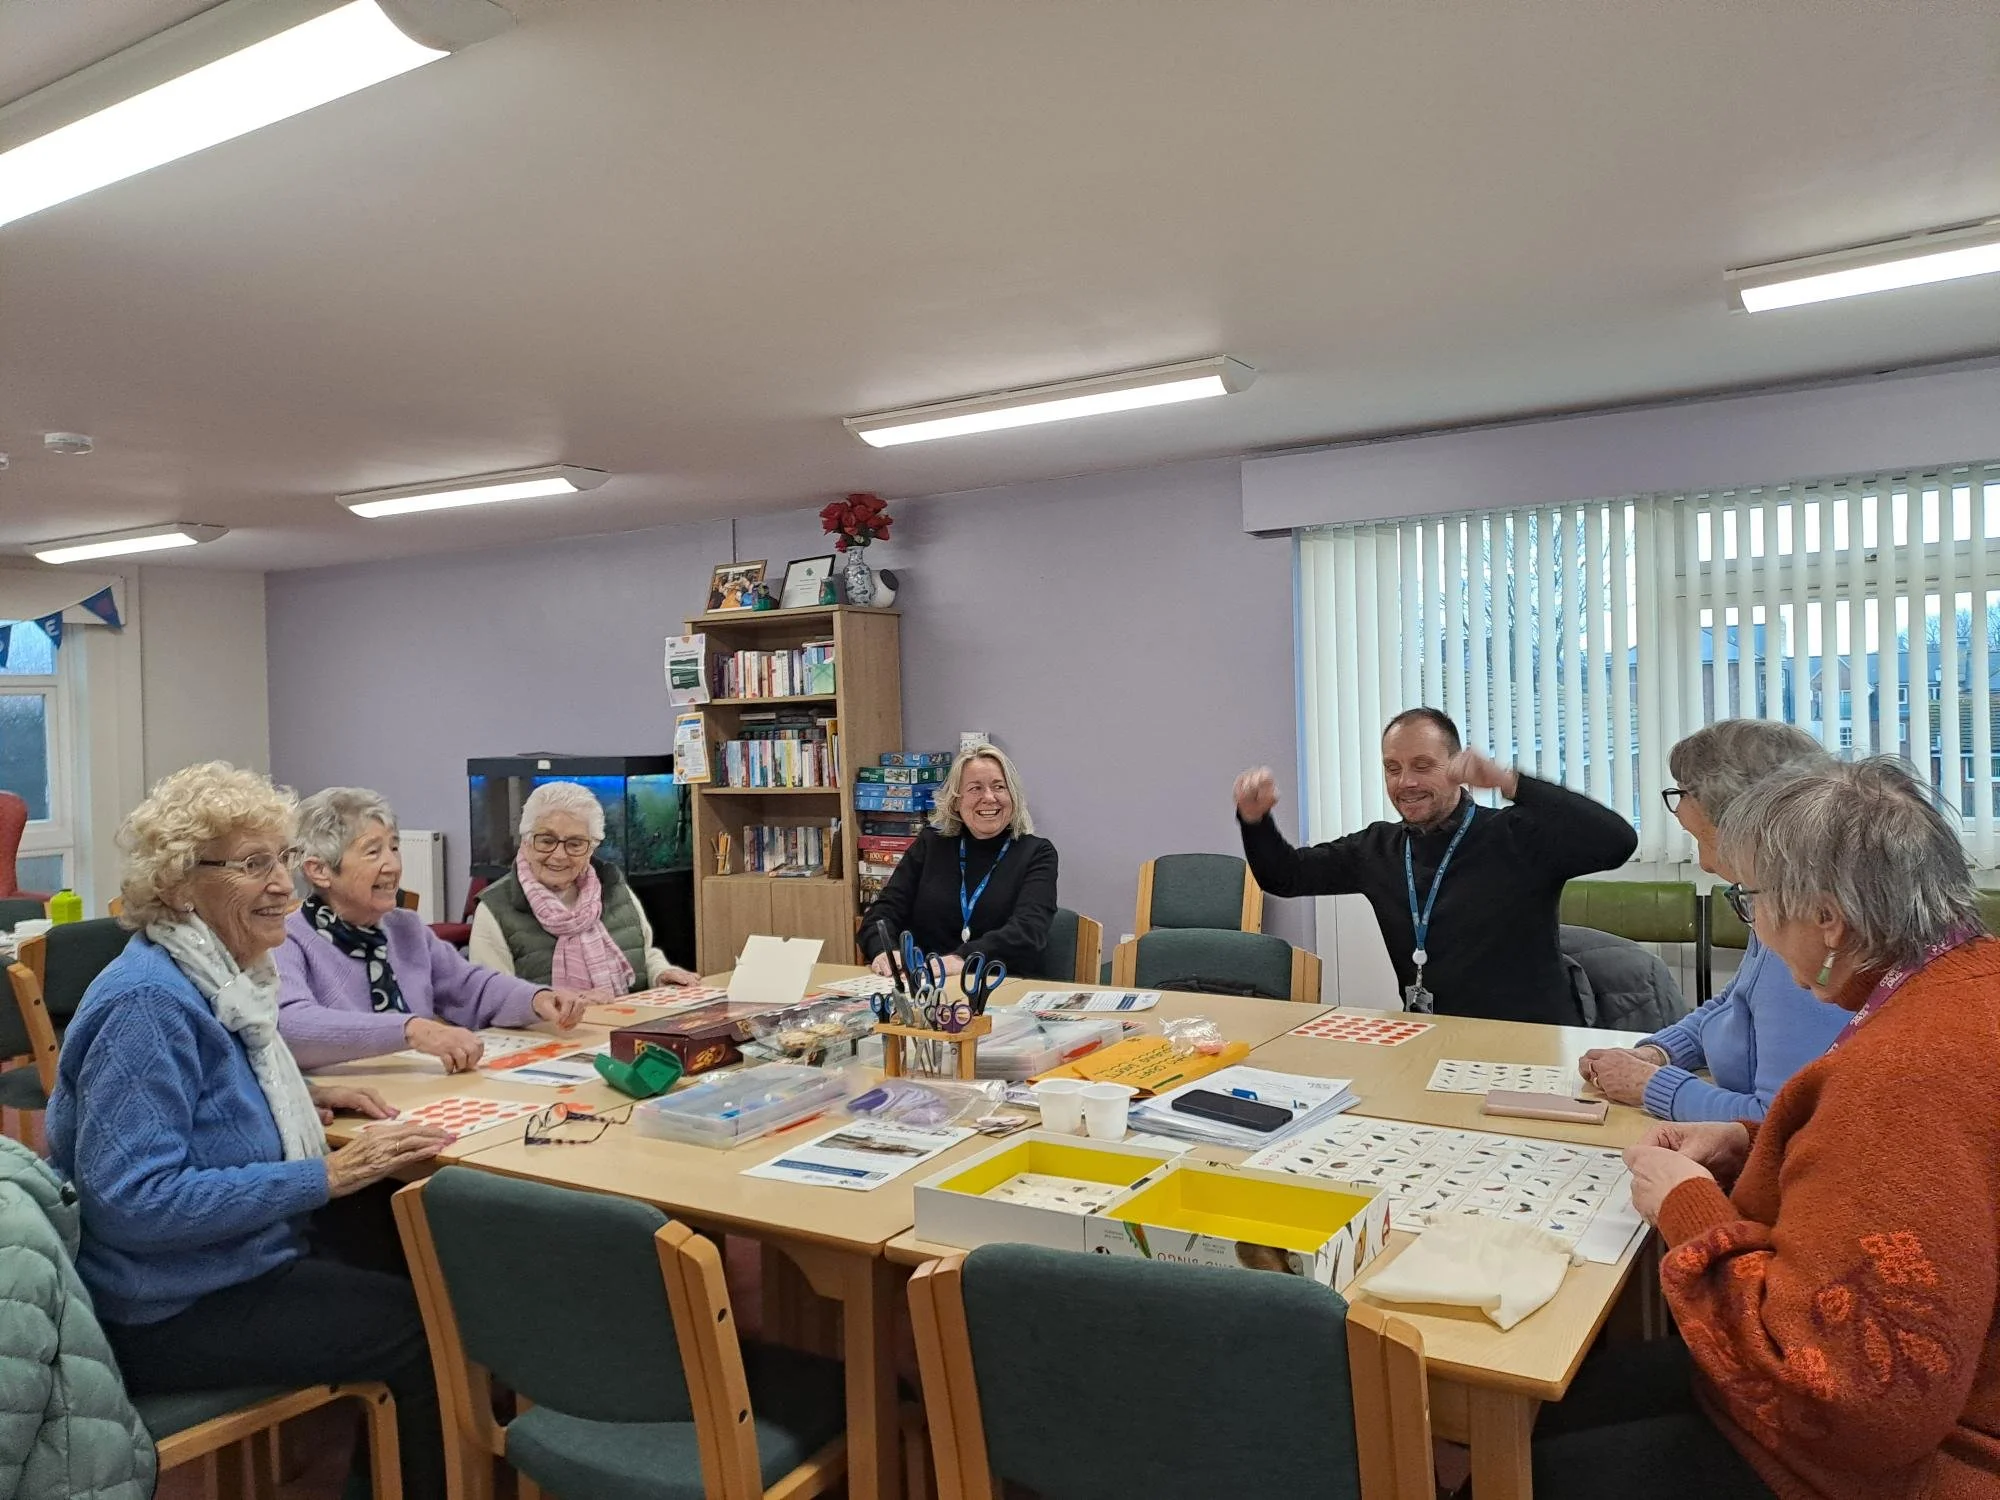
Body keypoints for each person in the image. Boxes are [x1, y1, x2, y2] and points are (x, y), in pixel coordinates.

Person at [1535, 757, 2000, 1500]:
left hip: (1905, 1460)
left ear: (1827, 919)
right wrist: (1758, 1147)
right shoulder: (1968, 983)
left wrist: (1688, 1204)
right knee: (1565, 1400)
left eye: (1751, 899)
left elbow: (1847, 1400)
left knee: (1542, 1467)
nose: (1751, 922)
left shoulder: (1903, 1070)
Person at [46, 762, 454, 1500]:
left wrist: (303, 1092)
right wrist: (324, 1175)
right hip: (166, 1304)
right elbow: (133, 1202)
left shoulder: (211, 976)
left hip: (229, 1259)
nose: (284, 887)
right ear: (177, 884)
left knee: (416, 1250)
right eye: (252, 864)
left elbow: (204, 1100)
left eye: (284, 860)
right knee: (422, 1319)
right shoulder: (148, 1005)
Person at [1233, 708, 1637, 1024]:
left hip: (1532, 1037)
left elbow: (1617, 841)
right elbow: (1284, 876)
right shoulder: (1378, 847)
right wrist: (1256, 821)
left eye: (1422, 766)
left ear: (1457, 767)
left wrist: (1510, 782)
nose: (1405, 781)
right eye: (1393, 768)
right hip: (1433, 1037)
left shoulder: (1514, 836)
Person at [1579, 720, 1847, 1121]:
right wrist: (1660, 1053)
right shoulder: (1777, 900)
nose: (1705, 863)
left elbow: (1777, 1120)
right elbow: (1733, 1007)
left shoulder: (1814, 931)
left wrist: (1650, 1085)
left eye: (1708, 841)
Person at [276, 787, 592, 1072]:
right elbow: (290, 1026)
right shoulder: (285, 939)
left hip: (417, 1095)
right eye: (374, 852)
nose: (394, 866)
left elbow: (470, 988)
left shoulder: (405, 928)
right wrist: (413, 1030)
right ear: (319, 871)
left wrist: (536, 999)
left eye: (394, 848)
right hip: (346, 1109)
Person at [468, 780, 701, 994]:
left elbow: (642, 954)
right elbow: (493, 997)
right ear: (526, 843)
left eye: (575, 844)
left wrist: (660, 974)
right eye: (547, 841)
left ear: (592, 848)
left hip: (622, 1027)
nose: (559, 855)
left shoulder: (613, 888)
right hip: (549, 1036)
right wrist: (560, 1005)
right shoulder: (495, 909)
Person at [858, 743, 1057, 976]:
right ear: (955, 801)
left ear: (1013, 796)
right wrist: (884, 951)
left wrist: (962, 959)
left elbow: (1028, 932)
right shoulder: (930, 844)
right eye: (975, 788)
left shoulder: (1037, 853)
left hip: (1000, 985)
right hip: (927, 988)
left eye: (999, 787)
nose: (989, 797)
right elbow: (881, 915)